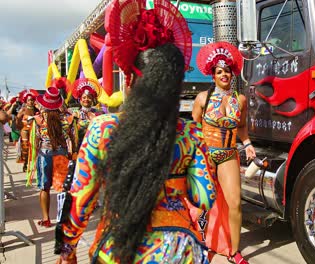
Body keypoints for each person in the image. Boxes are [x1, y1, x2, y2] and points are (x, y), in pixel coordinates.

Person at [55, 0, 215, 263]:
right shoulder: (190, 134)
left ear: (130, 79)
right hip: (180, 251)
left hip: (118, 251)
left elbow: (79, 201)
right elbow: (204, 197)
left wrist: (66, 248)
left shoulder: (103, 129)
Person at [192, 41, 256, 264]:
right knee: (204, 205)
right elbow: (194, 126)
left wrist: (247, 143)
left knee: (235, 203)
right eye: (219, 71)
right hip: (207, 156)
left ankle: (233, 252)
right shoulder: (203, 98)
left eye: (227, 71)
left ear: (232, 74)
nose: (224, 75)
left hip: (228, 154)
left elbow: (241, 127)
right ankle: (201, 245)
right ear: (213, 75)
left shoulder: (240, 100)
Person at [28, 87, 73, 228]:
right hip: (61, 154)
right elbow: (70, 138)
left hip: (44, 155)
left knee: (44, 188)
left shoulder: (38, 119)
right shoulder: (67, 119)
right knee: (62, 189)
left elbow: (35, 141)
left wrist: (34, 158)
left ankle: (46, 218)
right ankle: (62, 219)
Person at [68, 78, 104, 149]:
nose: (86, 99)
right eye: (84, 97)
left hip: (95, 147)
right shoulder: (75, 114)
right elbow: (70, 133)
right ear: (80, 100)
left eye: (89, 97)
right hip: (80, 147)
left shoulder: (99, 114)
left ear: (93, 99)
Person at [16, 89, 39, 171]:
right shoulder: (23, 110)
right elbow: (17, 121)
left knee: (35, 147)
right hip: (25, 130)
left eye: (32, 100)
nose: (31, 102)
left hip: (34, 131)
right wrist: (21, 127)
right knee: (25, 147)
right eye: (29, 100)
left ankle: (34, 163)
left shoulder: (37, 110)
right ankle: (25, 163)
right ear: (26, 101)